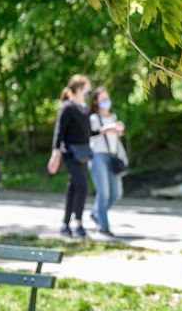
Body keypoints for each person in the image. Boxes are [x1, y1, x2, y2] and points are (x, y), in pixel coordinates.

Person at [47, 74, 94, 238]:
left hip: (83, 154)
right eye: (86, 89)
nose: (88, 92)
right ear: (79, 89)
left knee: (74, 187)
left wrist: (106, 129)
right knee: (82, 185)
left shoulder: (83, 108)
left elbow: (87, 133)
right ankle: (78, 222)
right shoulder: (67, 107)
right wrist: (55, 153)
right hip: (70, 154)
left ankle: (66, 224)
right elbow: (59, 131)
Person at [87, 86, 127, 237]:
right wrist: (105, 129)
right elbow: (89, 135)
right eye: (103, 99)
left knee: (116, 193)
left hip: (113, 156)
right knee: (103, 194)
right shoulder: (93, 118)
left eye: (107, 98)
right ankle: (103, 227)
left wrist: (118, 129)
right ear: (96, 101)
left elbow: (115, 138)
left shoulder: (113, 116)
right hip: (98, 157)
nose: (106, 101)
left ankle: (96, 213)